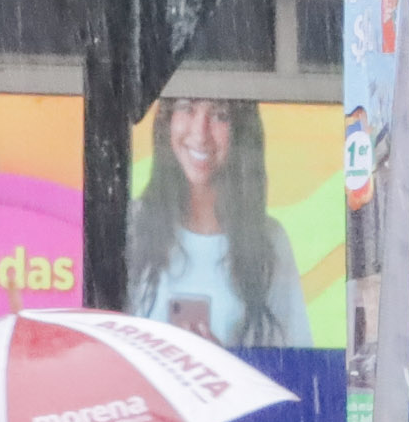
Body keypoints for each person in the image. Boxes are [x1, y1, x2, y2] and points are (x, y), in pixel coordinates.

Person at [127, 96, 310, 347]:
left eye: (219, 115)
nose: (201, 134)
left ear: (240, 130)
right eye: (187, 108)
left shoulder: (268, 239)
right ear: (167, 120)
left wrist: (223, 363)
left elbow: (294, 366)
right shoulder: (131, 225)